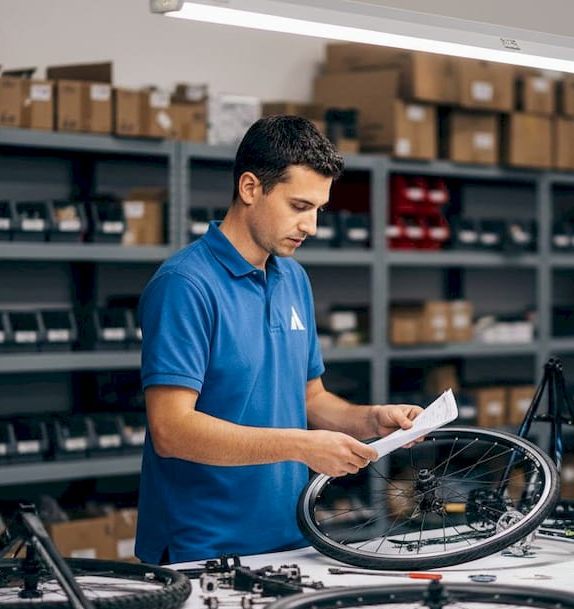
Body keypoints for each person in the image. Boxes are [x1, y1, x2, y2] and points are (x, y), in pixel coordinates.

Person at [135, 115, 422, 564]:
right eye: (299, 206)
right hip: (202, 549)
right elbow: (171, 430)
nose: (311, 226)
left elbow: (310, 398)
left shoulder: (293, 278)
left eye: (318, 210)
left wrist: (370, 419)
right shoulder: (185, 285)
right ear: (250, 188)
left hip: (291, 537)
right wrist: (301, 445)